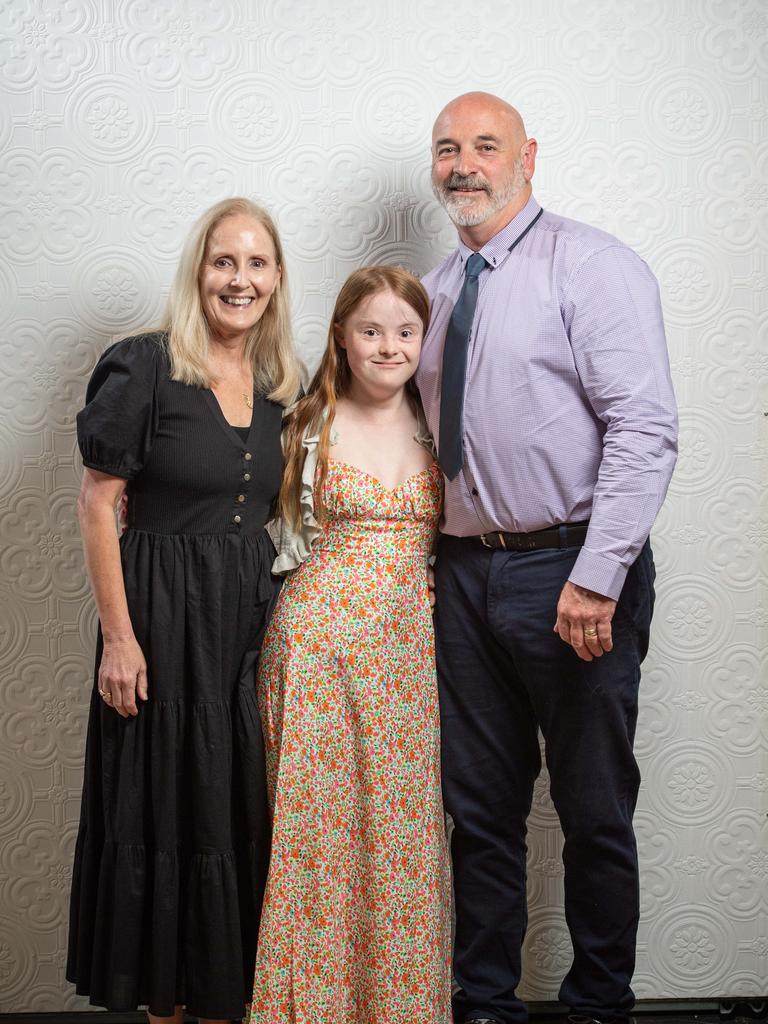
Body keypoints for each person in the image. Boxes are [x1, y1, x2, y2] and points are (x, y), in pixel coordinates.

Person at [417, 92, 678, 1024]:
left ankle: (600, 1004)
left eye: (484, 146)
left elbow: (643, 431)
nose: (463, 165)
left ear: (529, 156)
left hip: (572, 573)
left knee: (593, 809)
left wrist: (597, 577)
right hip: (463, 580)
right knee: (479, 815)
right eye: (447, 149)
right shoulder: (439, 289)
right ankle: (484, 1003)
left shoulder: (592, 264)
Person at [68, 197, 301, 1024]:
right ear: (197, 271)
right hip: (160, 619)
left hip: (246, 628)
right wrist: (119, 641)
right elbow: (100, 506)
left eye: (256, 264)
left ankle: (221, 1006)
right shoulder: (145, 366)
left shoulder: (283, 385)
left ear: (276, 279)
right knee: (165, 808)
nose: (240, 280)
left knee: (233, 807)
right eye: (223, 262)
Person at [249, 266, 452, 1024]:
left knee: (402, 843)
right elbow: (240, 507)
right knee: (318, 842)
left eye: (405, 331)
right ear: (342, 335)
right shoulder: (308, 419)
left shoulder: (442, 420)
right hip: (317, 654)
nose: (388, 346)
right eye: (371, 330)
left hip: (406, 659)